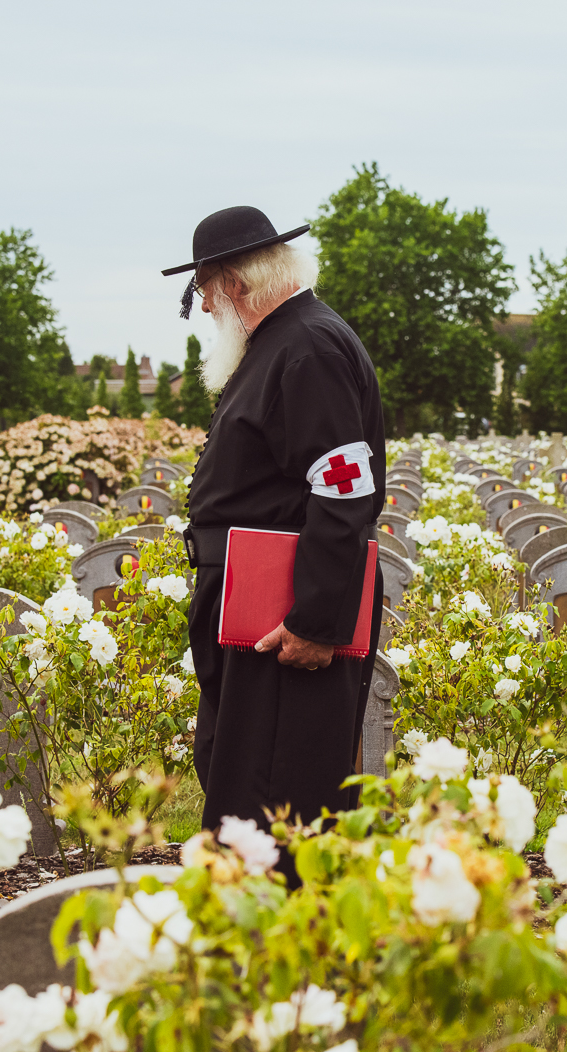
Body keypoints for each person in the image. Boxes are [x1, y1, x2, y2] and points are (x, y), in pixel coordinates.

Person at [162, 206, 386, 878]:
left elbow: (344, 487)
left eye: (203, 291)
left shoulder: (307, 347)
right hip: (260, 622)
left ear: (235, 282)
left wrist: (315, 622)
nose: (203, 309)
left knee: (278, 800)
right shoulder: (285, 343)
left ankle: (279, 958)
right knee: (247, 788)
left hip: (288, 630)